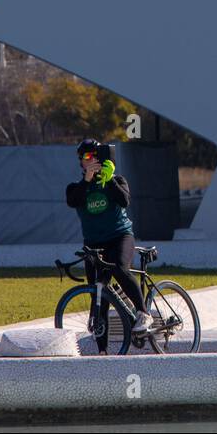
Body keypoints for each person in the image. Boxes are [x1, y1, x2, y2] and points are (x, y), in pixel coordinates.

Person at [64, 138, 152, 340]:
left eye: (96, 155)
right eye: (87, 157)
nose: (92, 159)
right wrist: (87, 180)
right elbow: (73, 201)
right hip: (94, 243)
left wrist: (109, 178)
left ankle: (143, 313)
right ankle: (102, 351)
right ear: (81, 161)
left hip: (120, 236)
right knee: (98, 294)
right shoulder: (75, 188)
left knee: (120, 268)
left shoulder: (117, 180)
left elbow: (124, 200)